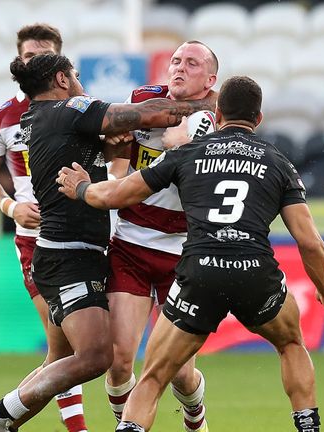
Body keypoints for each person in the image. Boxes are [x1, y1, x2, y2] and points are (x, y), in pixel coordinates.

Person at [56, 75, 324, 432]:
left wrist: (81, 188)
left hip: (199, 270)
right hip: (254, 271)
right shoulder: (278, 162)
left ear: (217, 112)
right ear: (260, 118)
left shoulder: (186, 154)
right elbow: (311, 242)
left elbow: (117, 195)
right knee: (290, 343)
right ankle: (307, 425)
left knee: (153, 377)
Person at [0, 53, 217, 432]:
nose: (81, 81)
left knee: (73, 356)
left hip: (89, 251)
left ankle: (2, 418)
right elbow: (149, 116)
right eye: (77, 75)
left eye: (192, 62)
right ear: (62, 80)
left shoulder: (42, 119)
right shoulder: (69, 109)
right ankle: (2, 414)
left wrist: (116, 146)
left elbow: (112, 152)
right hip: (69, 254)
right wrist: (214, 102)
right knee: (101, 356)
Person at [0, 23, 89, 432]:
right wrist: (10, 205)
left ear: (58, 62)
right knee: (69, 346)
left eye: (43, 56)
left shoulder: (85, 109)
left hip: (93, 238)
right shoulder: (0, 118)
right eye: (27, 57)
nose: (34, 62)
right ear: (18, 63)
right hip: (38, 243)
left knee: (91, 350)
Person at [103, 40, 219, 432]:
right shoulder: (142, 100)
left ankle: (195, 417)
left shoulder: (216, 118)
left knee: (180, 372)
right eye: (174, 61)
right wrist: (115, 179)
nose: (179, 67)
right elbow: (118, 156)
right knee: (119, 359)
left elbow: (175, 144)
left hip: (181, 255)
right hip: (131, 244)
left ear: (210, 79)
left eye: (191, 63)